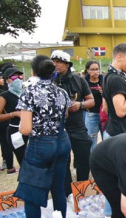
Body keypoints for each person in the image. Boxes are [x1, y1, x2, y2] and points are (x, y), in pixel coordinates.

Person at [13, 55, 72, 218]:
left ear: (33, 71)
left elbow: (25, 129)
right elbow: (64, 116)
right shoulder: (61, 92)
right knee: (58, 189)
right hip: (62, 142)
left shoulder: (29, 92)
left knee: (32, 194)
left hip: (40, 144)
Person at [51, 50, 95, 197]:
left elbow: (91, 100)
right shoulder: (49, 81)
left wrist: (80, 105)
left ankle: (81, 188)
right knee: (62, 160)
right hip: (57, 127)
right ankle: (68, 192)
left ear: (67, 64)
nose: (55, 65)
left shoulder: (79, 80)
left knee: (83, 157)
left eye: (58, 62)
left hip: (77, 125)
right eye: (53, 62)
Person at [0, 68, 26, 172]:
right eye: (14, 77)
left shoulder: (26, 93)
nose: (18, 79)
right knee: (23, 161)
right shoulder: (4, 96)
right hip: (15, 131)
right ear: (7, 80)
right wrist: (13, 114)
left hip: (29, 130)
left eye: (20, 76)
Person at [84, 60, 104, 151]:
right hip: (91, 113)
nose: (95, 72)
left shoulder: (104, 80)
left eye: (97, 69)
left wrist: (103, 92)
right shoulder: (84, 82)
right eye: (92, 69)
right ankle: (92, 161)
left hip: (104, 113)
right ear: (87, 70)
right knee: (91, 140)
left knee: (106, 139)